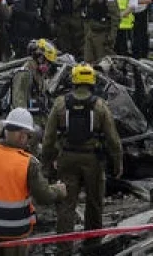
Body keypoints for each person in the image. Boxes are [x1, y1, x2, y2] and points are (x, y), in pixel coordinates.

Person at [40, 64, 122, 256]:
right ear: (92, 81)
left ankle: (64, 249)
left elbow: (48, 139)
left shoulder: (60, 103)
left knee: (66, 206)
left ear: (74, 81)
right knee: (94, 204)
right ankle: (92, 246)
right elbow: (113, 139)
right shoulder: (100, 105)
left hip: (67, 159)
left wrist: (47, 165)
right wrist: (118, 162)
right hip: (93, 160)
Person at [0, 108, 66, 256]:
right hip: (14, 233)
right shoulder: (28, 163)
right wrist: (59, 190)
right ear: (22, 136)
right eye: (29, 137)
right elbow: (45, 196)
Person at [77, 0, 119, 64]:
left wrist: (112, 37)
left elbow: (115, 16)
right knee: (88, 62)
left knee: (103, 63)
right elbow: (77, 3)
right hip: (90, 31)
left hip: (103, 33)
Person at [11, 39, 58, 119]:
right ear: (39, 57)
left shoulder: (39, 75)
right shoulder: (24, 74)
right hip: (29, 123)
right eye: (47, 62)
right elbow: (19, 105)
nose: (48, 66)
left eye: (49, 63)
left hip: (39, 120)